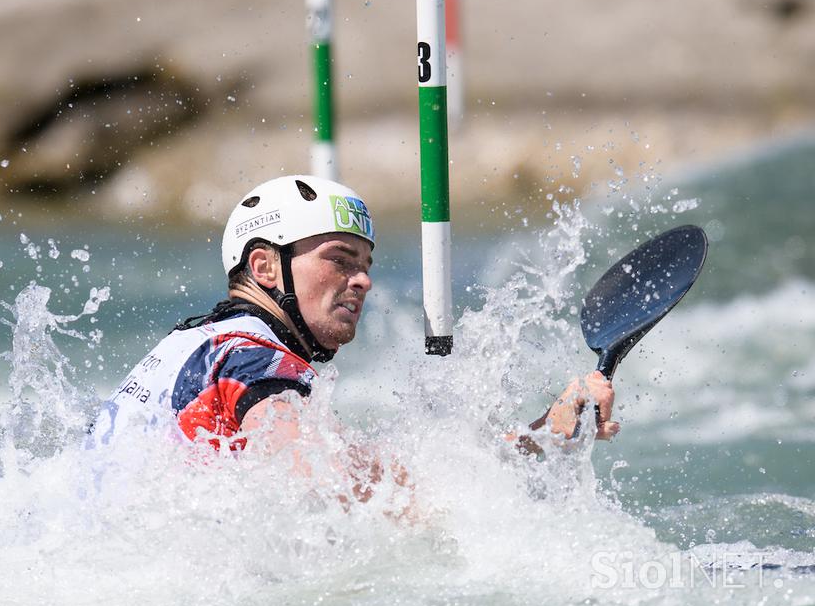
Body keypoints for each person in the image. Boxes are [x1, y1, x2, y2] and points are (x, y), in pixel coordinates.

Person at [88, 175, 619, 460]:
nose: (363, 280)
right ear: (265, 266)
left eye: (365, 265)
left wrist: (543, 437)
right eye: (339, 259)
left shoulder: (200, 342)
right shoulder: (247, 357)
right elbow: (320, 475)